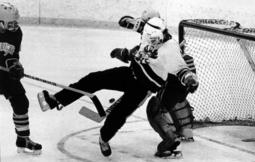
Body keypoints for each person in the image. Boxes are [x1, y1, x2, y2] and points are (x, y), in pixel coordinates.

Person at [37, 17, 198, 157]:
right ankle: (56, 100)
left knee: (118, 115)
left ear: (161, 35)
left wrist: (189, 78)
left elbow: (181, 69)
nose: (151, 42)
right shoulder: (149, 32)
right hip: (130, 73)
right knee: (93, 79)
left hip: (142, 88)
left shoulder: (170, 49)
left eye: (154, 40)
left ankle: (104, 138)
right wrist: (125, 51)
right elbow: (136, 31)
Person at [118, 10, 198, 158]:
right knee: (177, 99)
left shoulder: (163, 46)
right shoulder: (159, 31)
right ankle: (186, 131)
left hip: (177, 77)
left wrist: (127, 54)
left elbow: (174, 67)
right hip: (183, 75)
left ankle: (169, 142)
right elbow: (130, 24)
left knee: (156, 108)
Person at [0, 2, 42, 155]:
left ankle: (23, 139)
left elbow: (13, 55)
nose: (15, 25)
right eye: (11, 23)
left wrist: (16, 66)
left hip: (4, 73)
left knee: (21, 102)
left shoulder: (16, 33)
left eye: (15, 22)